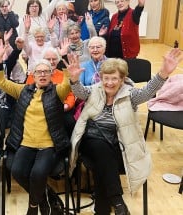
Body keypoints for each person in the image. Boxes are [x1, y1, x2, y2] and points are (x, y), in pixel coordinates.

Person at [66, 48, 183, 215]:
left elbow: (148, 91)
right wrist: (75, 79)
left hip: (118, 143)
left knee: (103, 166)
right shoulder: (95, 90)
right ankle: (117, 200)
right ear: (101, 78)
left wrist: (163, 73)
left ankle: (102, 210)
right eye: (106, 78)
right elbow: (80, 92)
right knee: (101, 148)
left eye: (114, 79)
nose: (109, 83)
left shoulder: (130, 95)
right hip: (91, 138)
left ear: (122, 79)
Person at [0, 39, 71, 215]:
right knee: (18, 171)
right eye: (39, 72)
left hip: (48, 145)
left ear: (51, 75)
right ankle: (49, 198)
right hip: (26, 143)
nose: (42, 75)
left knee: (37, 174)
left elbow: (67, 83)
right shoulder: (24, 91)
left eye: (46, 72)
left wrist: (64, 57)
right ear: (33, 75)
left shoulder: (57, 92)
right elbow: (2, 83)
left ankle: (33, 206)